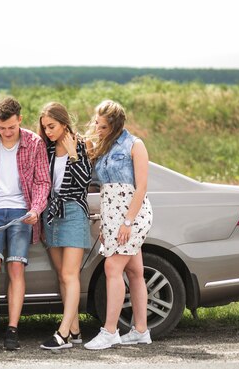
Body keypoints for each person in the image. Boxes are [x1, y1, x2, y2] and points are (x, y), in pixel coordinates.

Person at [0, 96, 51, 352]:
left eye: (11, 128)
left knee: (16, 269)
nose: (6, 133)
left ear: (20, 121)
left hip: (21, 213)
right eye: (1, 128)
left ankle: (13, 330)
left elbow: (42, 182)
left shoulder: (34, 143)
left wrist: (36, 209)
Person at [83, 100, 153, 350]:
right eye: (96, 124)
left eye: (102, 126)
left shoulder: (135, 145)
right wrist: (106, 225)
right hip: (112, 218)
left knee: (112, 268)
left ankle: (109, 331)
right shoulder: (104, 146)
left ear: (114, 125)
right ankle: (141, 331)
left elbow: (141, 187)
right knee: (134, 272)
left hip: (132, 216)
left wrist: (127, 223)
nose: (97, 129)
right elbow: (105, 192)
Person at [37, 102, 93, 350]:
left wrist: (73, 154)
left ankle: (63, 334)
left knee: (71, 275)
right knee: (62, 275)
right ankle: (76, 329)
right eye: (45, 127)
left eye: (52, 126)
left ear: (63, 123)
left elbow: (84, 182)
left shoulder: (82, 145)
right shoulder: (47, 148)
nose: (48, 131)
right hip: (51, 213)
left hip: (73, 212)